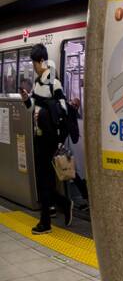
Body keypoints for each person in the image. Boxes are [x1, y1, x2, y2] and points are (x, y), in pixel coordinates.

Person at [19, 44, 72, 233]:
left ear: (41, 61)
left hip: (49, 137)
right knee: (45, 179)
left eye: (34, 62)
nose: (33, 66)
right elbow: (32, 107)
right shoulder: (37, 82)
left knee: (45, 179)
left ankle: (45, 222)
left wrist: (59, 137)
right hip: (38, 135)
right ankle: (63, 204)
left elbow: (63, 109)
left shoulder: (53, 83)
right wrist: (27, 99)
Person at [64, 94, 89, 212]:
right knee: (77, 175)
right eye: (72, 104)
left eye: (75, 105)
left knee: (77, 175)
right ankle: (87, 199)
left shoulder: (73, 118)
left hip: (73, 153)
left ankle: (87, 199)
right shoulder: (74, 117)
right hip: (73, 153)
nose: (73, 107)